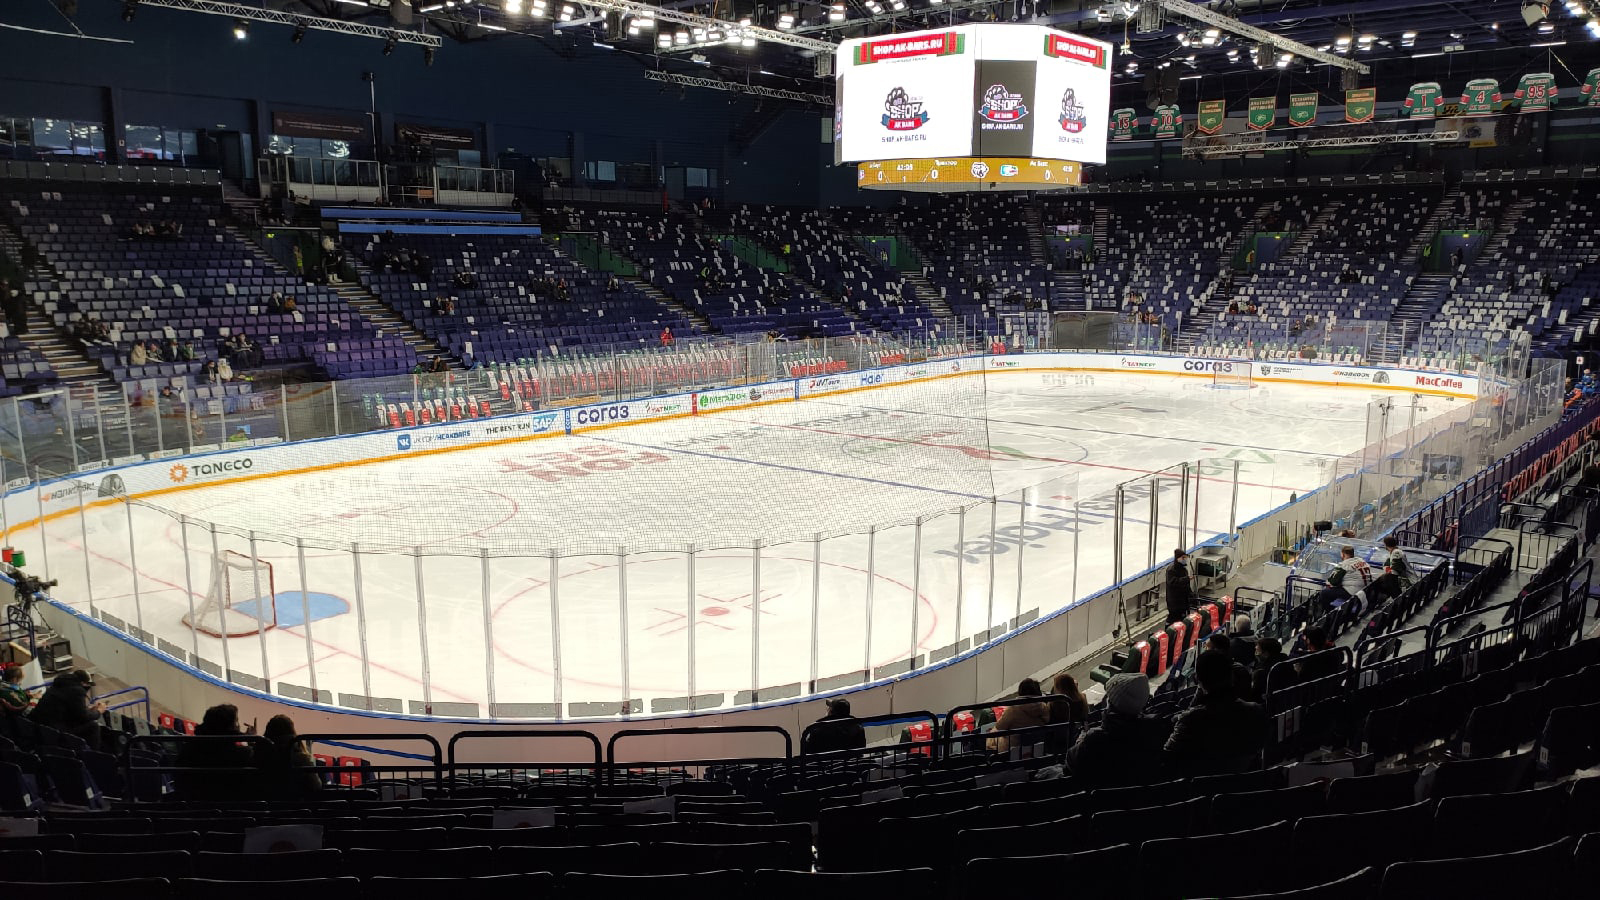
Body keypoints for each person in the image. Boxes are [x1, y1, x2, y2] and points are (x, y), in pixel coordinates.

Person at [1164, 650, 1269, 775]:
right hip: (1244, 782)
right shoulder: (1256, 711)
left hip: (1201, 784)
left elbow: (1168, 758)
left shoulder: (1191, 720)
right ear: (1231, 677)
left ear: (1199, 681)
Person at [1065, 673, 1165, 787]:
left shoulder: (1095, 738)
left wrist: (1081, 740)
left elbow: (1071, 765)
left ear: (1111, 704)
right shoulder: (1154, 728)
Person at [176, 704, 253, 801]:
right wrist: (252, 740)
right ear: (230, 728)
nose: (238, 726)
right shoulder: (243, 754)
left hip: (194, 805)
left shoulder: (188, 750)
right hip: (232, 805)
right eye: (236, 721)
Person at [30, 668, 105, 748]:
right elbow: (83, 717)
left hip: (42, 725)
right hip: (57, 729)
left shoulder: (58, 684)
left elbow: (68, 708)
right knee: (93, 726)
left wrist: (87, 710)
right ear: (83, 683)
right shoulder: (77, 691)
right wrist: (98, 711)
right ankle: (93, 753)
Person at [253, 714, 321, 799]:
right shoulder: (301, 758)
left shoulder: (259, 756)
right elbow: (316, 786)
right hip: (295, 804)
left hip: (266, 803)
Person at [992, 678, 1051, 753]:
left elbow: (1000, 727)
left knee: (992, 733)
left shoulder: (1013, 708)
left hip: (1013, 749)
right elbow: (1047, 720)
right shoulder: (1044, 707)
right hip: (1036, 748)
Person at [1313, 545, 1371, 613]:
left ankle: (1329, 613)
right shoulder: (1362, 561)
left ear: (1343, 554)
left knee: (1324, 593)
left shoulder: (1344, 565)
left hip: (1353, 592)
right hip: (1364, 589)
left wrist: (1329, 582)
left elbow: (1333, 581)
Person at [1251, 636, 1288, 700]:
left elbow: (1255, 693)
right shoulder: (1285, 660)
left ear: (1266, 653)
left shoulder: (1261, 672)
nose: (1255, 647)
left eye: (1258, 648)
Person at [1165, 549, 1195, 624]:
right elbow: (1173, 582)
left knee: (1182, 618)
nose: (1184, 559)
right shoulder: (1171, 570)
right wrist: (1186, 579)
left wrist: (1190, 594)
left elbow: (1186, 585)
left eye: (1185, 557)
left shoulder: (1184, 569)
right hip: (1174, 601)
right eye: (1183, 557)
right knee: (1174, 618)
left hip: (1183, 600)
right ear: (1177, 558)